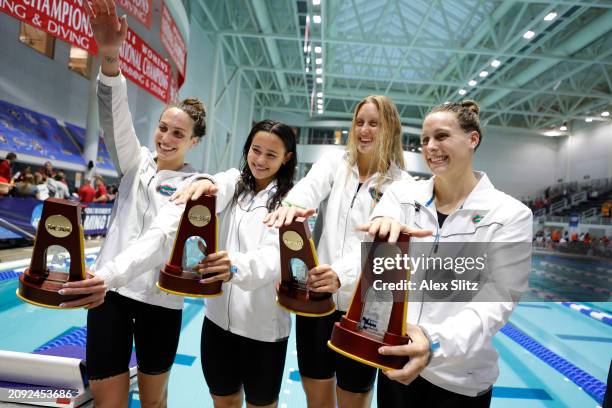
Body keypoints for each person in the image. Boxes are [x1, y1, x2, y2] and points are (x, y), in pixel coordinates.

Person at [59, 2, 228, 406]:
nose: (166, 138)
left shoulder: (195, 188)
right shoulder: (135, 164)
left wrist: (108, 274)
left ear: (194, 142)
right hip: (109, 298)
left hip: (159, 303)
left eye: (178, 134)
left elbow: (159, 238)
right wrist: (110, 57)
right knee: (107, 400)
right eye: (163, 128)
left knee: (153, 402)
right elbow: (114, 119)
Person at [360, 100, 532, 407]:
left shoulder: (509, 214)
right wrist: (378, 227)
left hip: (459, 378)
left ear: (473, 139)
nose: (430, 147)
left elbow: (498, 297)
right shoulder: (402, 196)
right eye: (425, 140)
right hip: (396, 362)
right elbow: (377, 259)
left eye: (441, 137)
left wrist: (433, 341)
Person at [264, 95, 412, 408]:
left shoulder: (402, 184)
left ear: (391, 130)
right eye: (359, 122)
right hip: (319, 297)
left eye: (374, 123)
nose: (364, 130)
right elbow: (309, 188)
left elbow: (381, 247)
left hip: (364, 308)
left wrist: (341, 276)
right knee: (314, 388)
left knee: (353, 395)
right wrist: (290, 207)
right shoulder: (336, 164)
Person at [176, 119, 298, 408]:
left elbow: (274, 259)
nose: (260, 160)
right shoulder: (234, 187)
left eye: (271, 155)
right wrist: (205, 181)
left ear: (287, 158)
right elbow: (220, 182)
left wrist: (234, 267)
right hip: (217, 323)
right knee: (224, 401)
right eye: (256, 150)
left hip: (263, 331)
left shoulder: (291, 202)